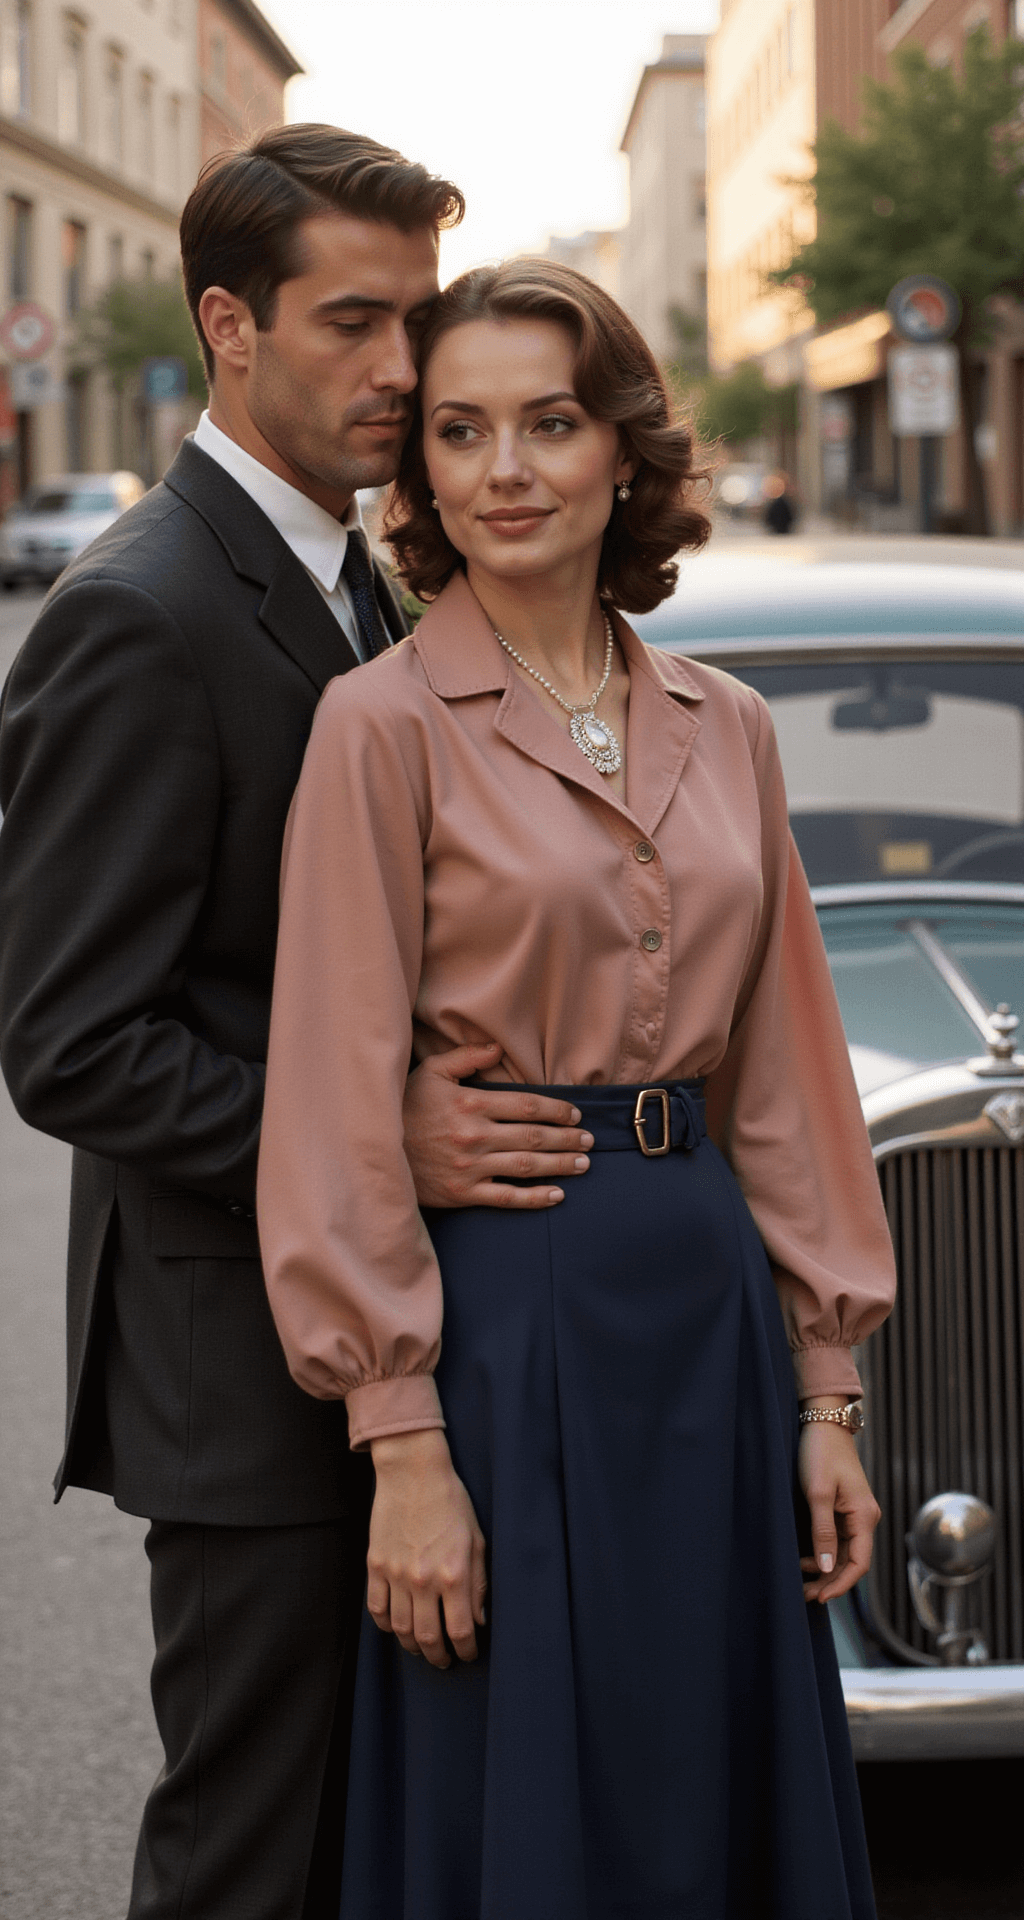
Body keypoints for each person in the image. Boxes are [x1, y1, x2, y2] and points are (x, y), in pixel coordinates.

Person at [0, 131, 595, 1920]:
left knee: (371, 1838)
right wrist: (375, 1136)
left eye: (418, 320)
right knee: (251, 1849)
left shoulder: (353, 570)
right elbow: (71, 1041)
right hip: (245, 1372)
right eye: (356, 321)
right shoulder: (140, 609)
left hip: (397, 1324)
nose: (404, 371)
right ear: (228, 329)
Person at [257, 259, 898, 1918]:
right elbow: (329, 1096)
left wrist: (827, 1390)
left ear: (624, 450)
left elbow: (786, 1069)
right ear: (422, 476)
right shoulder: (376, 726)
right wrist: (402, 1443)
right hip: (507, 1310)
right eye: (459, 432)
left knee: (712, 1771)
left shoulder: (729, 723)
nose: (506, 469)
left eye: (550, 422)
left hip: (710, 1313)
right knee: (528, 1788)